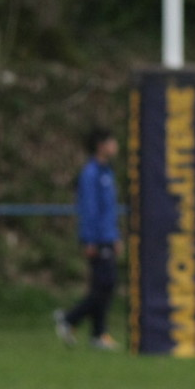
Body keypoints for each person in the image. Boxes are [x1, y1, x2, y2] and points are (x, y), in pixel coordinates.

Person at [54, 125, 121, 350]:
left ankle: (98, 334)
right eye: (112, 141)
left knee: (103, 287)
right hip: (97, 239)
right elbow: (89, 210)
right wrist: (89, 240)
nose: (115, 146)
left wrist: (115, 236)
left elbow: (109, 209)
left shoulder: (107, 172)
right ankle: (70, 319)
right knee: (105, 285)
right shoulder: (91, 173)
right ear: (101, 146)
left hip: (108, 237)